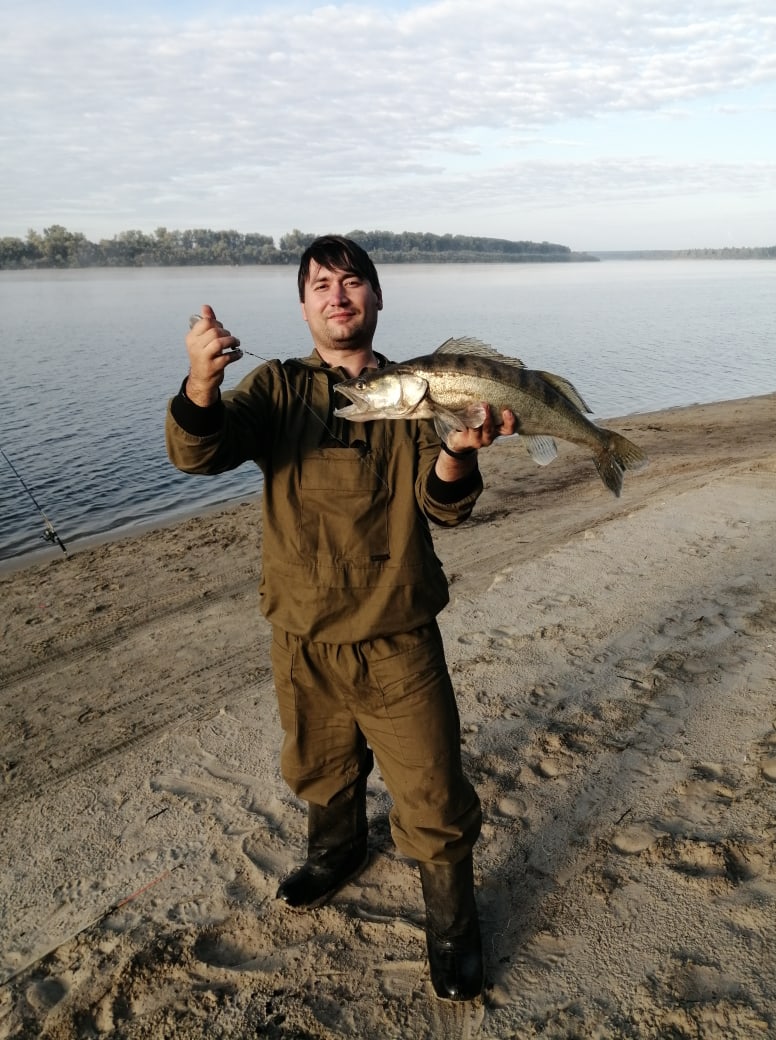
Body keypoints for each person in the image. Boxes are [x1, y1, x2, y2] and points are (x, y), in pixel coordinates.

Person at [165, 235, 515, 1001]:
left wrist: (458, 453)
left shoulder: (420, 388)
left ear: (377, 299)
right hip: (300, 634)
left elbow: (442, 506)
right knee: (319, 764)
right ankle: (337, 851)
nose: (338, 295)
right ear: (304, 306)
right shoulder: (279, 389)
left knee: (431, 792)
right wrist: (200, 380)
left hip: (397, 637)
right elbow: (202, 453)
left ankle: (453, 929)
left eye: (353, 281)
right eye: (321, 284)